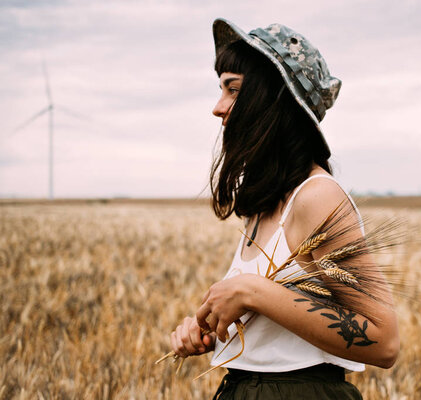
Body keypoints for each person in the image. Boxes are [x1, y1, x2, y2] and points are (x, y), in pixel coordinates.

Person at [169, 18, 400, 399]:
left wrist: (253, 292)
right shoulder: (262, 207)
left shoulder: (317, 198)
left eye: (233, 89)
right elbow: (278, 328)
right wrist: (211, 329)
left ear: (274, 99)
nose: (217, 107)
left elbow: (383, 340)